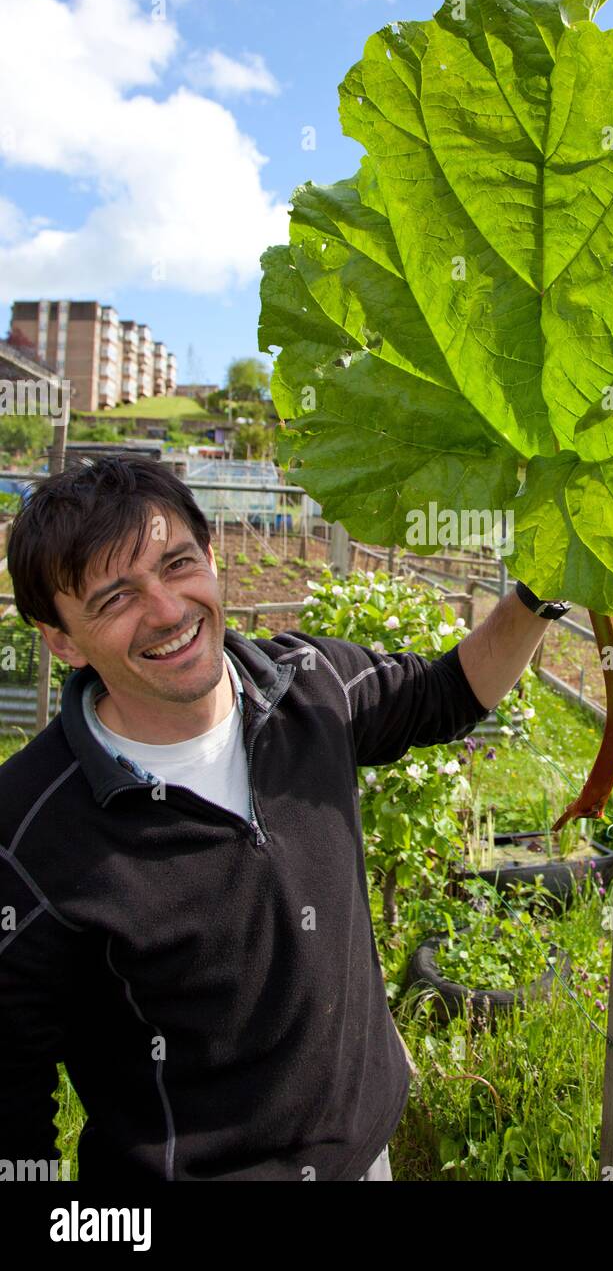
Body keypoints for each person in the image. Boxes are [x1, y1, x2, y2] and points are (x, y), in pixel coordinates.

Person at [0, 456, 570, 1181]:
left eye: (178, 565)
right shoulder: (25, 836)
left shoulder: (309, 684)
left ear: (212, 557)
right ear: (62, 640)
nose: (169, 610)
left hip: (367, 1159)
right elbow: (11, 1104)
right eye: (116, 599)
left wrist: (546, 587)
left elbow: (445, 695)